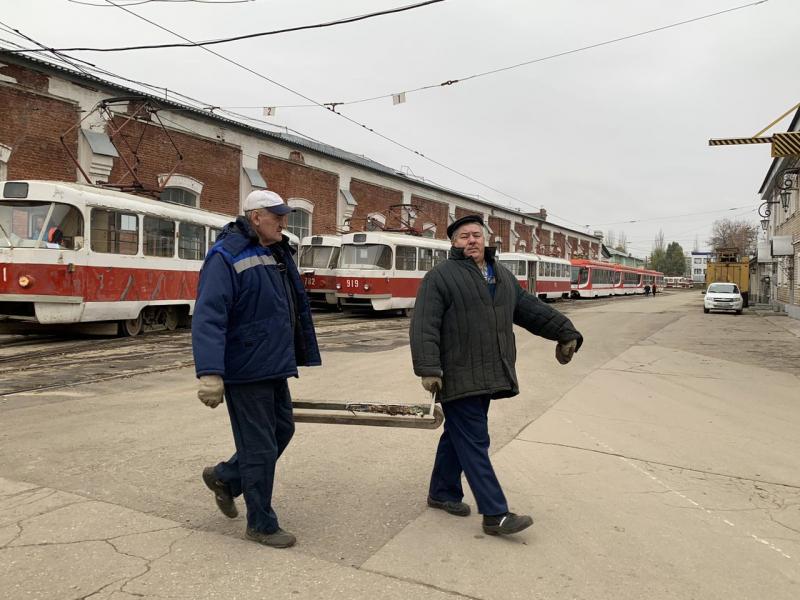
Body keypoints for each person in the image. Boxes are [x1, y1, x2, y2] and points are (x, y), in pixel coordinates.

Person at [410, 215, 583, 537]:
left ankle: (442, 492)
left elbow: (531, 309)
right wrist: (429, 369)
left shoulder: (501, 276)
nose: (471, 240)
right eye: (464, 236)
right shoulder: (440, 277)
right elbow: (424, 325)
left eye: (476, 234)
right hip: (457, 373)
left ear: (486, 240)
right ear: (453, 243)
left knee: (458, 436)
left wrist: (565, 332)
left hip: (490, 371)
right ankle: (495, 514)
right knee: (475, 440)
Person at [192, 189, 321, 549]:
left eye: (284, 215)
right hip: (245, 367)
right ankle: (261, 523)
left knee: (282, 429)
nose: (283, 221)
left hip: (273, 363)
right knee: (260, 446)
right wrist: (210, 372)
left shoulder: (275, 250)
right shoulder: (225, 256)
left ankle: (227, 477)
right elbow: (209, 316)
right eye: (276, 215)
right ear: (255, 218)